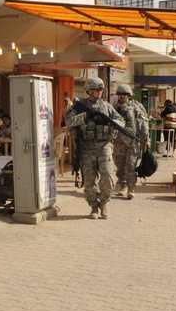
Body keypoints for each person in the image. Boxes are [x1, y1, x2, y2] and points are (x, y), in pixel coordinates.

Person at [64, 77, 124, 219]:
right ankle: (93, 207)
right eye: (97, 90)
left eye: (101, 90)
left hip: (104, 146)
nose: (100, 92)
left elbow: (121, 121)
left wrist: (109, 121)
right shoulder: (79, 106)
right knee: (90, 181)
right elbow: (68, 121)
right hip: (86, 147)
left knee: (108, 177)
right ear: (89, 91)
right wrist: (84, 116)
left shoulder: (106, 106)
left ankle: (104, 203)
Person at [112, 84, 150, 199]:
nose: (122, 97)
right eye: (120, 94)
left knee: (131, 165)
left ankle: (131, 188)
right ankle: (123, 186)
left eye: (124, 95)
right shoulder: (114, 107)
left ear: (129, 95)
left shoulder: (136, 107)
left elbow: (143, 123)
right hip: (119, 142)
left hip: (132, 142)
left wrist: (146, 139)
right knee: (120, 165)